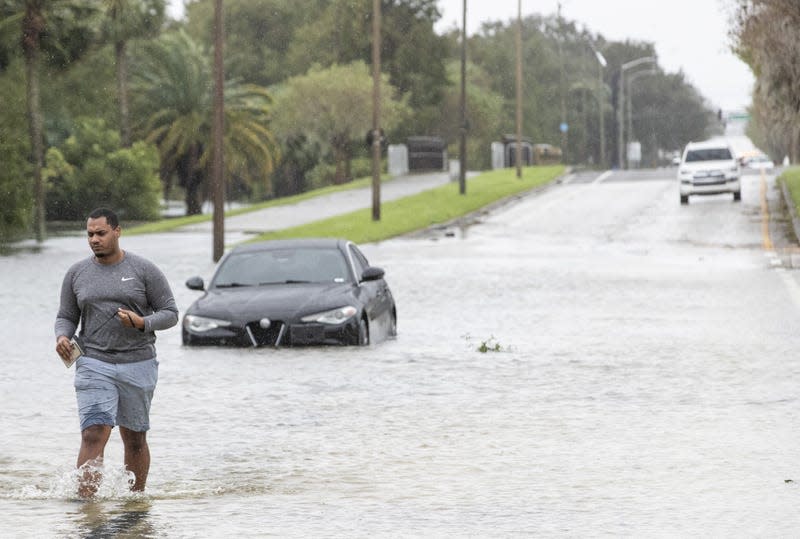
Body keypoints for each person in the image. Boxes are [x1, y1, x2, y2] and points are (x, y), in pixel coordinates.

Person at [55, 207, 178, 498]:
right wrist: (62, 335)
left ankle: (134, 503)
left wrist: (142, 322)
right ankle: (87, 507)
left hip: (138, 363)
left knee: (134, 438)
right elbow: (66, 315)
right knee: (93, 432)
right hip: (93, 362)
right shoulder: (77, 273)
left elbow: (171, 313)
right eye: (90, 234)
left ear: (117, 231)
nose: (94, 240)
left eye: (101, 233)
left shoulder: (143, 270)